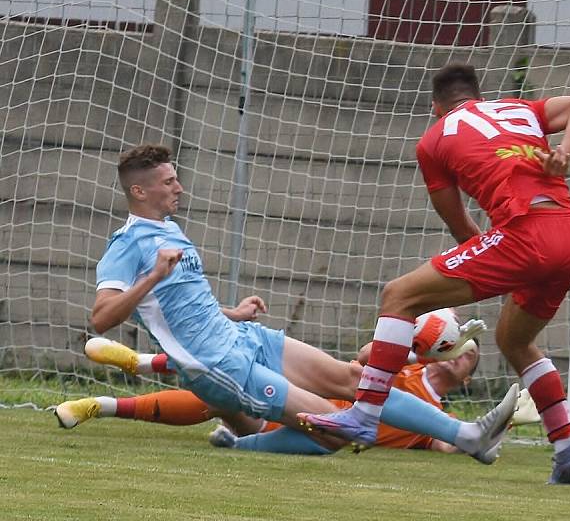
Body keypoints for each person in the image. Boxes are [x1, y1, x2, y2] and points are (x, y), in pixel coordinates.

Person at [74, 143, 519, 461]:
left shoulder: (171, 230)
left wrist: (233, 312)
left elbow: (179, 303)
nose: (180, 187)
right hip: (218, 364)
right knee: (337, 431)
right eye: (169, 181)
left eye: (176, 178)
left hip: (241, 336)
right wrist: (153, 274)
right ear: (139, 191)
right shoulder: (127, 244)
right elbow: (101, 318)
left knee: (355, 379)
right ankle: (242, 445)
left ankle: (468, 435)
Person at [299, 62, 570, 485]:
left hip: (525, 232)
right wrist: (565, 151)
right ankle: (568, 450)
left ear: (436, 107)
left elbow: (461, 230)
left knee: (399, 296)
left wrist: (492, 258)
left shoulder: (435, 138)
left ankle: (364, 414)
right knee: (514, 340)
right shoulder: (518, 110)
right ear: (478, 94)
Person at [56, 334, 542, 456]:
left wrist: (507, 423)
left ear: (469, 379)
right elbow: (369, 353)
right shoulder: (406, 371)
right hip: (311, 401)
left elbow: (435, 446)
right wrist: (422, 344)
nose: (460, 358)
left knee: (223, 394)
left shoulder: (427, 409)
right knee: (220, 386)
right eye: (457, 351)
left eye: (468, 358)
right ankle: (116, 390)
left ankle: (114, 395)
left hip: (314, 422)